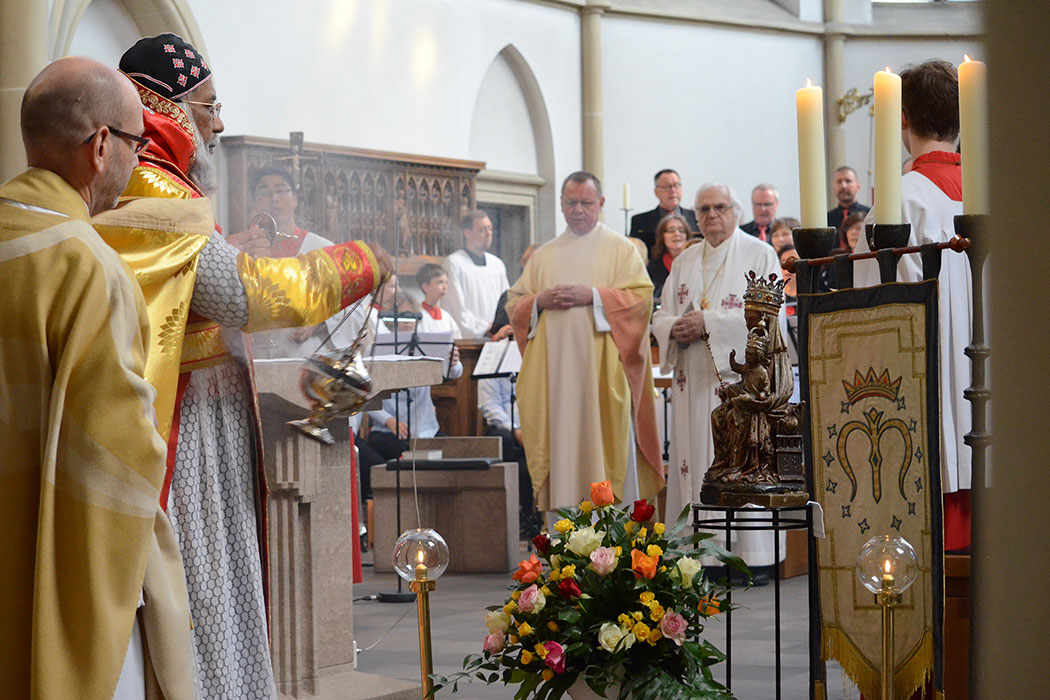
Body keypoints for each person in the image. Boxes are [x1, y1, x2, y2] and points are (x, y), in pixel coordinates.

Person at [91, 33, 391, 699]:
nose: (219, 124)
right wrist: (362, 263)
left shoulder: (158, 183)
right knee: (205, 588)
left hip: (205, 412)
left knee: (220, 580)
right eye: (208, 106)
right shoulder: (151, 187)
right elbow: (245, 294)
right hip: (185, 425)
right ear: (164, 107)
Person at [0, 57, 196, 700]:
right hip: (53, 554)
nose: (137, 164)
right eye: (137, 145)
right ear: (102, 145)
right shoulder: (87, 265)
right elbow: (117, 456)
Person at [853, 59, 972, 553]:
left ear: (901, 117)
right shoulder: (1004, 196)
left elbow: (868, 320)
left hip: (926, 407)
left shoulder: (898, 203)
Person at [507, 171, 664, 512]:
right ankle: (566, 534)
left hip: (602, 379)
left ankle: (612, 537)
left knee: (603, 446)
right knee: (563, 447)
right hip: (557, 380)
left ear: (601, 203)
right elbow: (514, 303)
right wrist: (539, 301)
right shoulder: (544, 255)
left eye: (586, 202)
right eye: (571, 202)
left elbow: (640, 301)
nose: (578, 209)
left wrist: (593, 296)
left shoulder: (621, 249)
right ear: (561, 204)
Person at [651, 183, 782, 584]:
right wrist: (674, 327)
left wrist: (707, 322)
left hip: (741, 387)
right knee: (696, 461)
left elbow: (768, 318)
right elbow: (662, 315)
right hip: (693, 382)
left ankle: (751, 557)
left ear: (736, 212)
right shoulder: (685, 261)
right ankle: (699, 557)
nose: (712, 215)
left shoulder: (760, 253)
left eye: (720, 207)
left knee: (740, 463)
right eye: (704, 209)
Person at [239, 165, 370, 358]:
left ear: (295, 199)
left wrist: (319, 322)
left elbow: (356, 311)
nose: (274, 198)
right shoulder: (245, 253)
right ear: (254, 204)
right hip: (257, 361)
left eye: (281, 190)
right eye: (264, 192)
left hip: (309, 361)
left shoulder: (323, 250)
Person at [366, 291, 463, 460]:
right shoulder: (376, 349)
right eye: (402, 317)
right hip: (387, 430)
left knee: (453, 454)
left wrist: (454, 362)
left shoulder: (425, 344)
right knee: (404, 456)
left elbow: (454, 373)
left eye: (412, 317)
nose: (408, 323)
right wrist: (388, 420)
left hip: (425, 429)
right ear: (391, 319)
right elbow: (366, 393)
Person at [442, 209, 510, 338]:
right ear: (467, 233)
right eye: (482, 230)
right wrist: (485, 328)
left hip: (498, 337)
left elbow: (506, 302)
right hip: (470, 341)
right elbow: (456, 307)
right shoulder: (454, 263)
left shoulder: (497, 264)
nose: (488, 234)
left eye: (490, 228)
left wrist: (500, 326)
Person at [629, 168, 699, 256]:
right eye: (667, 187)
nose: (673, 190)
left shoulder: (696, 217)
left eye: (676, 185)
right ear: (656, 192)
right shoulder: (640, 221)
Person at [646, 213, 691, 298]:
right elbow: (653, 293)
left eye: (681, 230)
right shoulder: (653, 265)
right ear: (662, 236)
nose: (677, 234)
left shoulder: (695, 261)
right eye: (671, 230)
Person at [827, 166, 870, 230]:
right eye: (839, 182)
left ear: (858, 186)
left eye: (848, 181)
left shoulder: (869, 216)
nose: (843, 186)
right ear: (833, 188)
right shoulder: (827, 219)